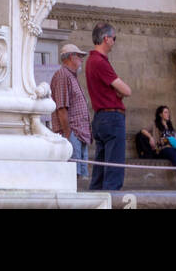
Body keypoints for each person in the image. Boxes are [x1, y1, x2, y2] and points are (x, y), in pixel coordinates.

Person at [85, 22, 131, 192]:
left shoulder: (91, 61)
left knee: (101, 166)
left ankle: (96, 199)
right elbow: (126, 90)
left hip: (100, 117)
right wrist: (119, 92)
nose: (114, 41)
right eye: (114, 38)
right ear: (106, 38)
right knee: (114, 167)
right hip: (111, 117)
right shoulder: (100, 61)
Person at [50, 44, 91, 179]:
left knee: (80, 174)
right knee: (73, 174)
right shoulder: (63, 75)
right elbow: (61, 108)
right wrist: (68, 135)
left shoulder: (71, 76)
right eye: (79, 56)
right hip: (73, 133)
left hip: (79, 134)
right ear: (71, 57)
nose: (82, 59)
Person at [139, 106, 176, 187]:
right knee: (174, 154)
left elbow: (174, 138)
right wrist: (151, 137)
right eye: (165, 112)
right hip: (161, 149)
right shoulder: (155, 124)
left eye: (168, 112)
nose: (168, 114)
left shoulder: (169, 125)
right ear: (160, 114)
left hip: (172, 147)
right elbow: (143, 130)